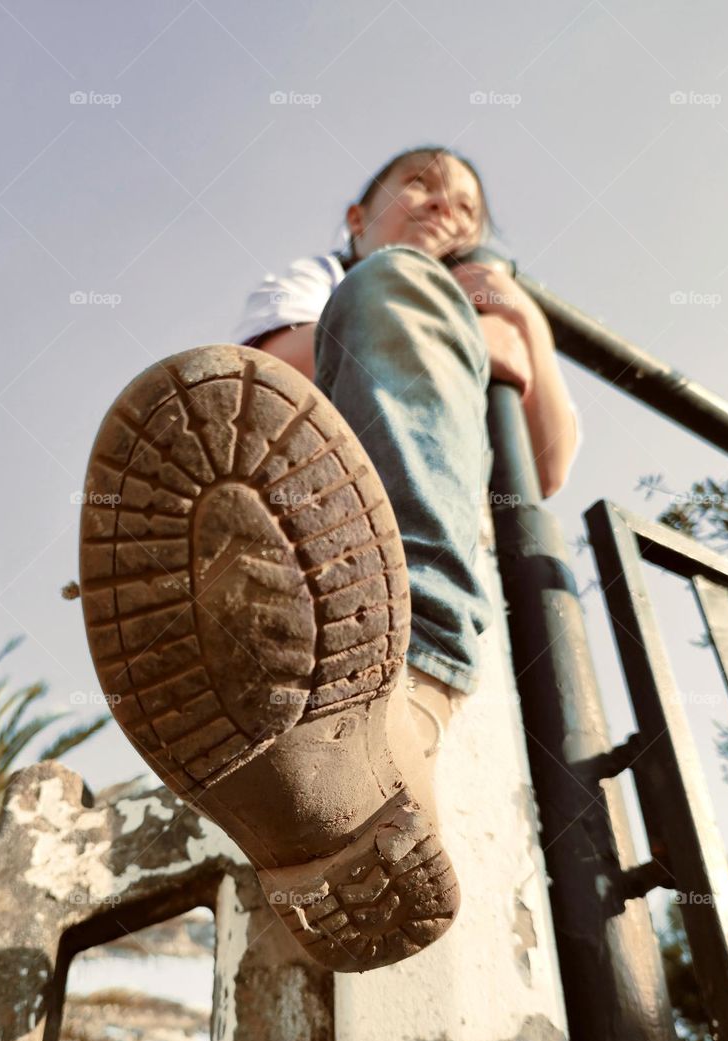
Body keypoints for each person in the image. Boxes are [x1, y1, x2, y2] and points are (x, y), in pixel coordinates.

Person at [79, 146, 582, 974]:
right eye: (417, 184)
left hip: (447, 560)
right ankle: (368, 720)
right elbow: (261, 393)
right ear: (357, 214)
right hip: (330, 533)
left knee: (402, 290)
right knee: (391, 285)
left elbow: (549, 464)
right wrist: (439, 310)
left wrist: (520, 320)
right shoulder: (325, 276)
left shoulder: (490, 300)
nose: (440, 207)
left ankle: (388, 720)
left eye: (463, 205)